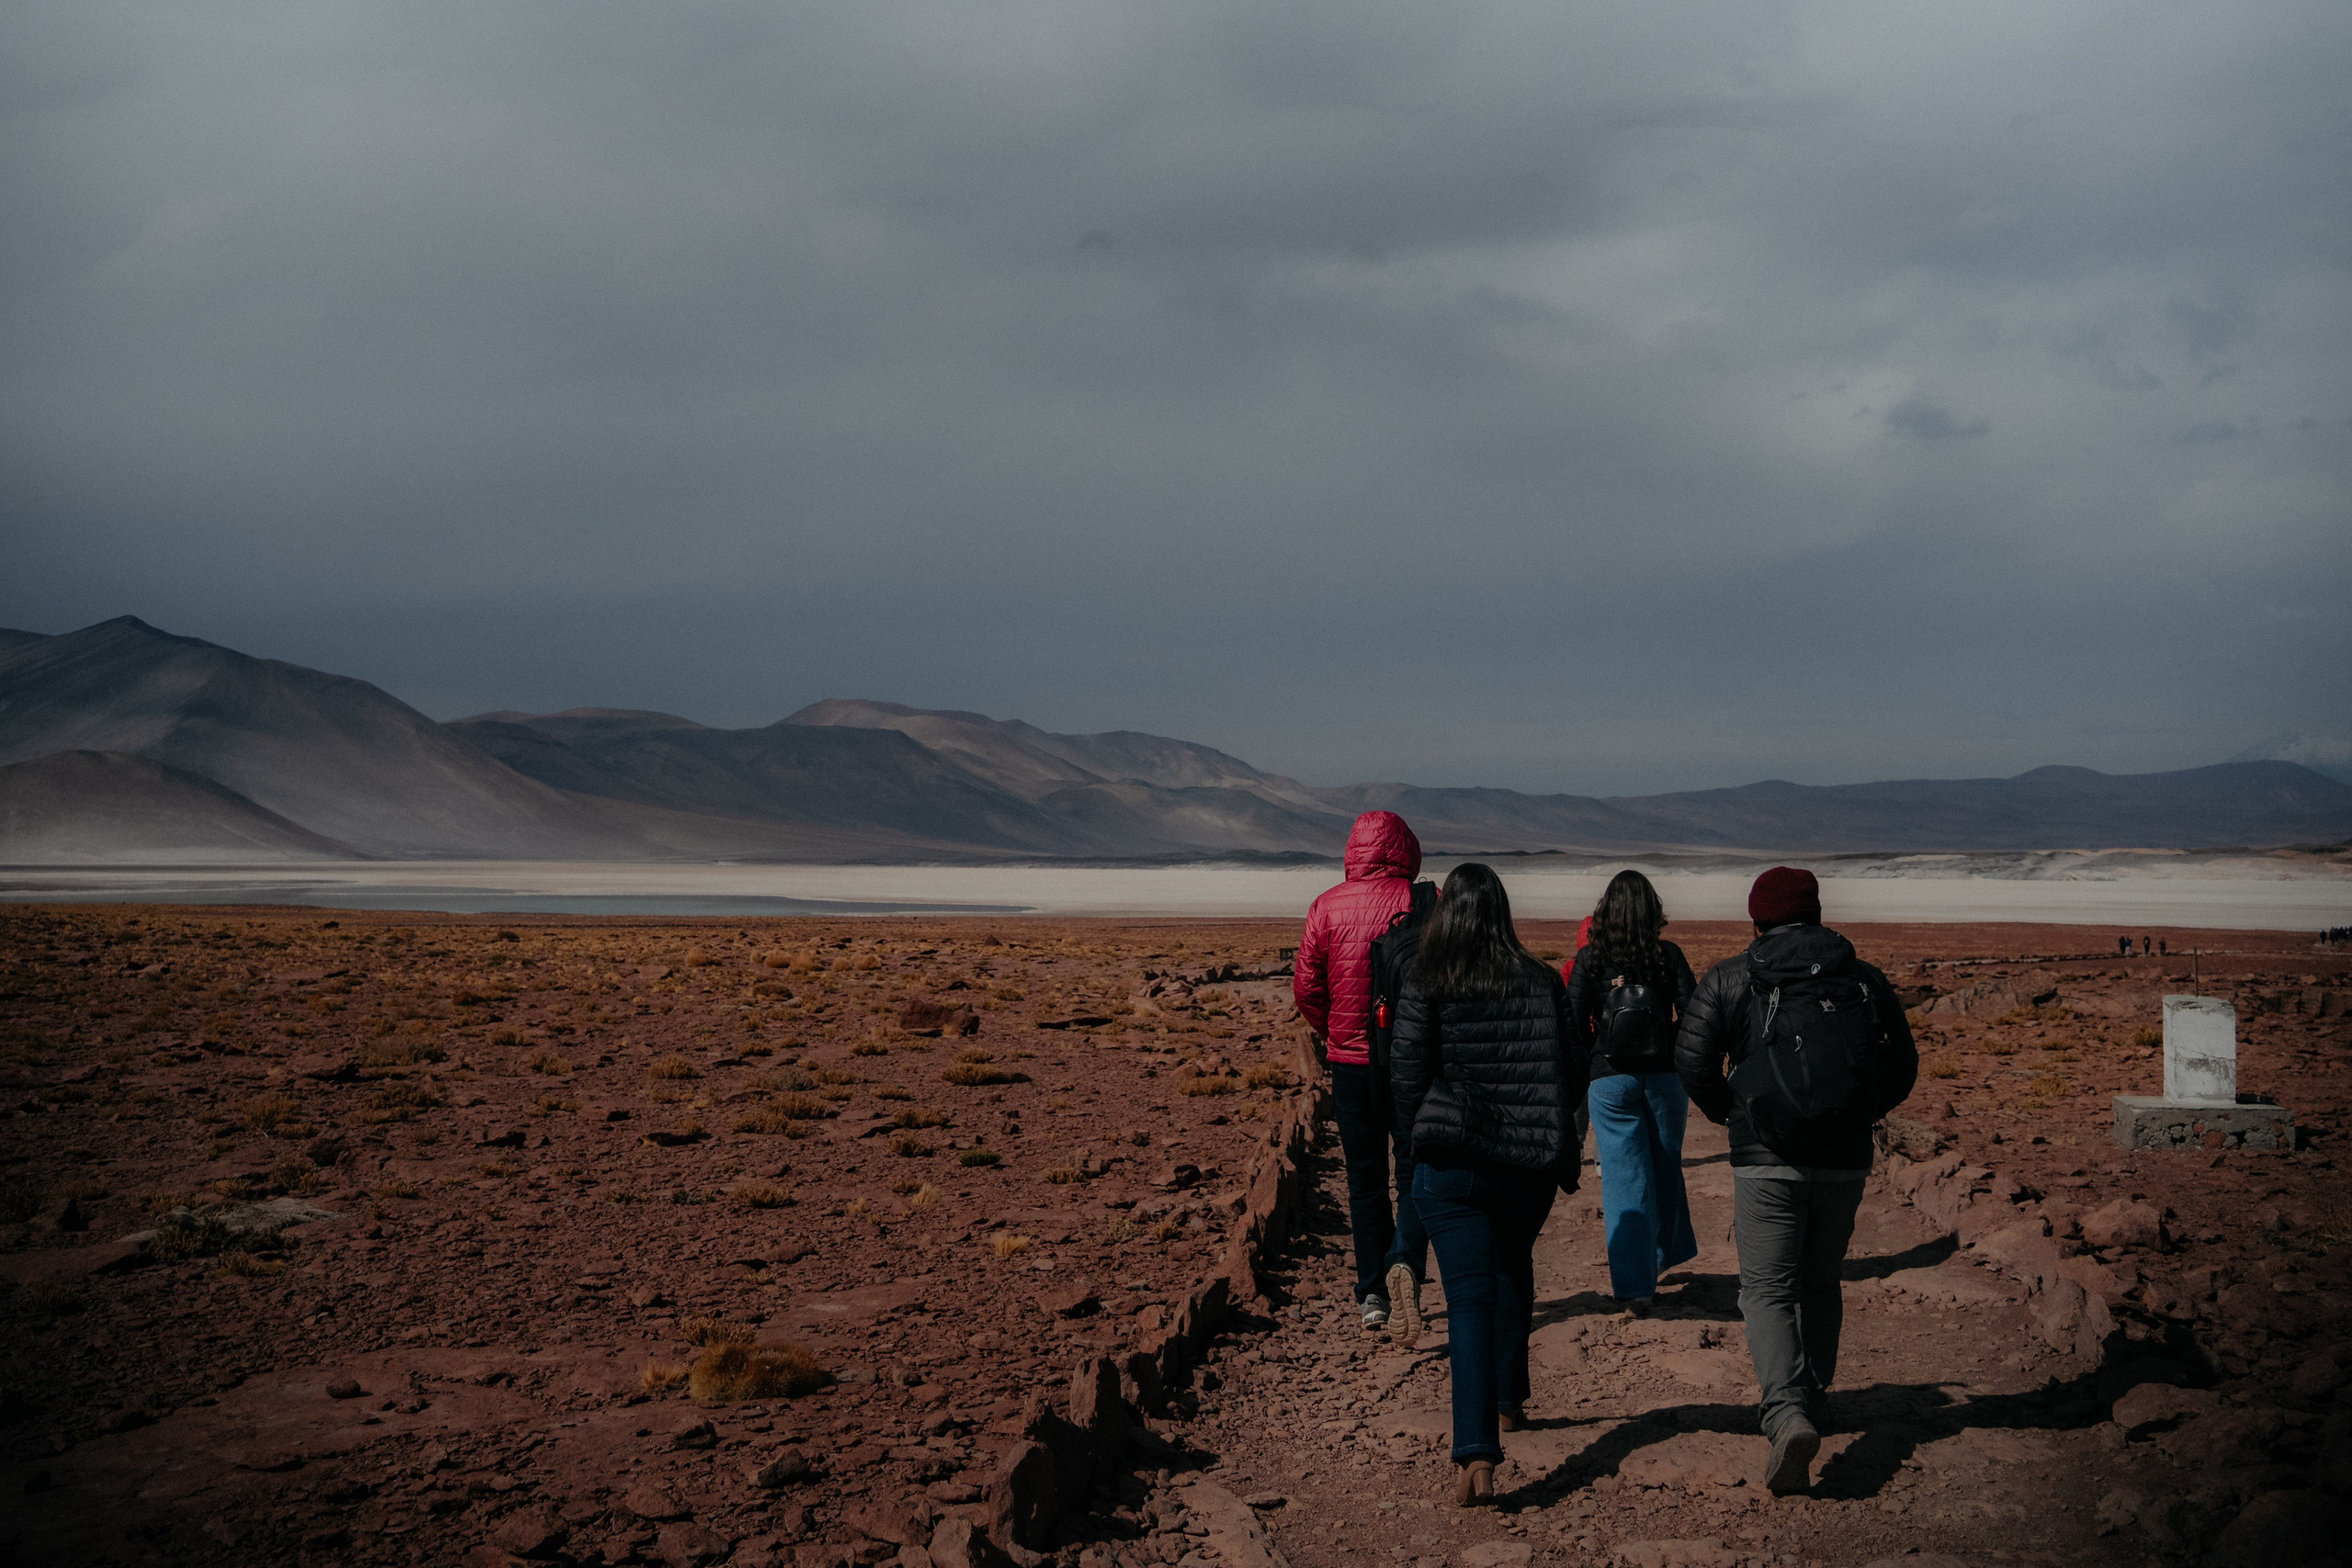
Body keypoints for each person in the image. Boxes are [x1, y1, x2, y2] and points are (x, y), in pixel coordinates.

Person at [1676, 867, 1918, 1497]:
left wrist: (1734, 1113)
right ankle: (1813, 1393)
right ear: (1815, 913)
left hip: (1766, 1159)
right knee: (1819, 1279)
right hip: (1843, 1160)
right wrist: (1859, 1113)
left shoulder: (1733, 975)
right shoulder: (1860, 978)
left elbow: (1691, 1058)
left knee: (1765, 1290)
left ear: (1755, 918)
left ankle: (1786, 1414)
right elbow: (1903, 1062)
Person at [1391, 863, 1586, 1506]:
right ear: (1502, 912)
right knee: (1512, 1267)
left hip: (1452, 1166)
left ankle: (1476, 1450)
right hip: (1526, 1168)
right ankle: (1507, 1400)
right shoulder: (1540, 981)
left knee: (1470, 1300)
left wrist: (1419, 1139)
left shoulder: (1427, 979)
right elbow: (1571, 1069)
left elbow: (1407, 1075)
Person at [1295, 810, 1430, 1330]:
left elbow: (1306, 988)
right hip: (1411, 1061)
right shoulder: (1424, 905)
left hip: (1349, 1063)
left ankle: (1374, 1294)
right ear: (1405, 847)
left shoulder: (1325, 907)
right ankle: (1406, 1263)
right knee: (1416, 1166)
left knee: (1364, 1179)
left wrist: (1336, 1031)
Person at [1565, 870, 1698, 1313]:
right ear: (1651, 910)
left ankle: (1635, 1285)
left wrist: (1593, 1058)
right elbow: (1695, 1014)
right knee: (1664, 1166)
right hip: (1663, 1078)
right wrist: (1672, 1045)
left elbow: (1572, 1019)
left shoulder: (1590, 960)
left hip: (1610, 1078)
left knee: (1624, 1179)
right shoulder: (1668, 956)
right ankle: (1659, 1257)